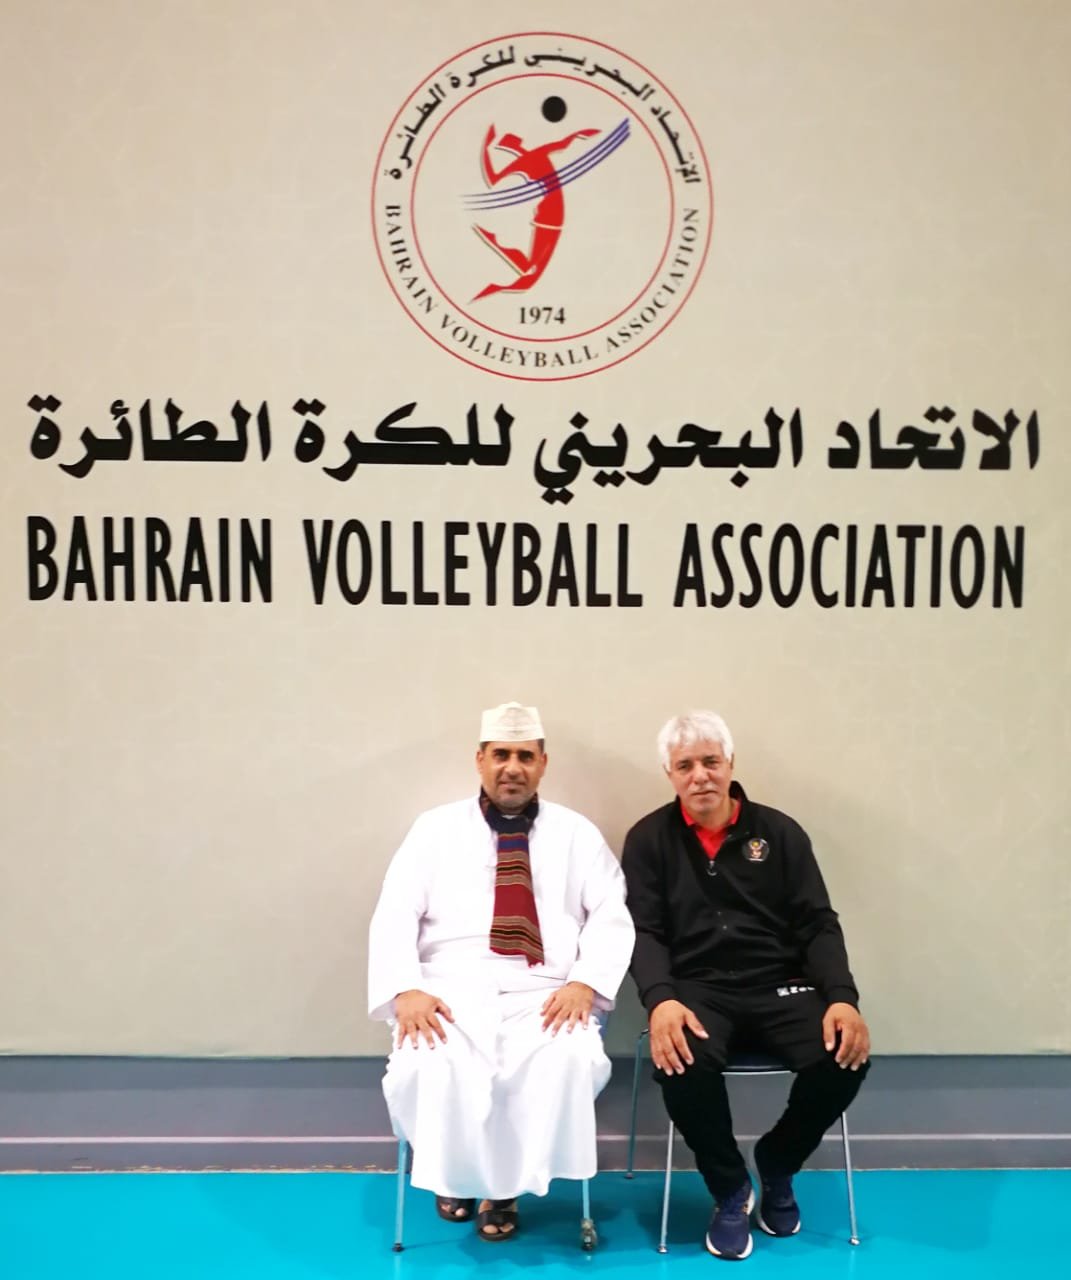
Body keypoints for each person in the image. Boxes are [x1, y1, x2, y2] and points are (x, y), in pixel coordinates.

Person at [368, 701, 634, 1242]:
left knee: (565, 1060)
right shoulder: (434, 829)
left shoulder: (577, 834)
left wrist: (585, 982)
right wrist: (406, 988)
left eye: (525, 756)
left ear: (542, 764)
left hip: (547, 991)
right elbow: (395, 911)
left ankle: (505, 1189)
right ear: (480, 760)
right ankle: (455, 1175)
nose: (512, 767)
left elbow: (612, 911)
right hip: (448, 990)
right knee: (430, 1064)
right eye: (501, 755)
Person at [622, 710, 870, 1262]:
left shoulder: (779, 833)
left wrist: (841, 999)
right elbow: (644, 931)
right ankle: (730, 1188)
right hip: (698, 989)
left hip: (781, 985)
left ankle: (778, 1162)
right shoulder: (648, 839)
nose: (700, 776)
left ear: (731, 763)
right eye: (685, 766)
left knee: (845, 1055)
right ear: (669, 774)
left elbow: (817, 924)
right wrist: (660, 1000)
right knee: (680, 1060)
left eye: (711, 761)